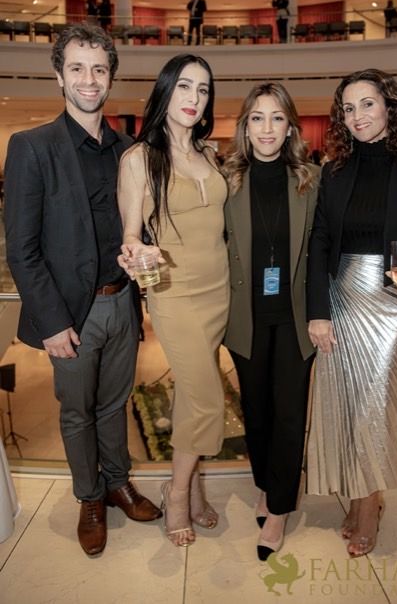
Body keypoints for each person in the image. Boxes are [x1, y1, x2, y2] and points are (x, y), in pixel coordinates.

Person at [3, 23, 160, 557]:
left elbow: (140, 228)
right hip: (71, 312)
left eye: (98, 69)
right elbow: (22, 249)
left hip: (122, 304)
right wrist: (51, 322)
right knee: (77, 412)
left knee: (115, 404)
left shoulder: (129, 150)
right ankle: (89, 497)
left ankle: (118, 483)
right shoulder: (32, 147)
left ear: (111, 77)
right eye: (77, 68)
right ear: (59, 77)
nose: (88, 80)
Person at [307, 68, 397, 558]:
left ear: (390, 106)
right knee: (346, 404)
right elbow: (320, 241)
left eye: (367, 104)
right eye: (348, 109)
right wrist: (318, 311)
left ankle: (369, 505)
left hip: (393, 301)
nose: (358, 116)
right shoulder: (334, 172)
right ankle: (357, 492)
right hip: (342, 297)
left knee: (377, 405)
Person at [117, 54, 229, 548]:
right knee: (206, 397)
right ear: (165, 91)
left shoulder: (209, 153)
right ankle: (177, 491)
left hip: (219, 290)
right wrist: (135, 251)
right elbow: (130, 233)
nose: (194, 98)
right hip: (174, 293)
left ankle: (196, 487)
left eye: (203, 90)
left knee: (191, 395)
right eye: (184, 86)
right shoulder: (139, 158)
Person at [223, 83, 319, 561]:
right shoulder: (226, 182)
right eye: (257, 118)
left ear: (290, 128)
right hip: (245, 319)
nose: (267, 128)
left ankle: (279, 507)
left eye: (277, 118)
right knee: (256, 411)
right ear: (245, 127)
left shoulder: (311, 180)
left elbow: (321, 253)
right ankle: (264, 482)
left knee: (288, 414)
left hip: (295, 319)